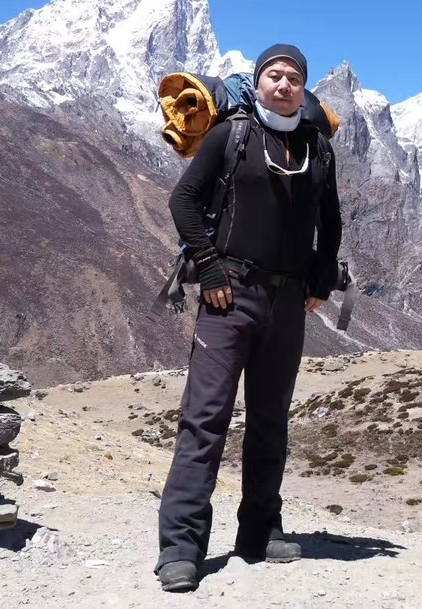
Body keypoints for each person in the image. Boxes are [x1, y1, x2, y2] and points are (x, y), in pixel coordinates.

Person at [155, 44, 343, 592]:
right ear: (258, 83)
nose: (283, 85)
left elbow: (329, 221)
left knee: (270, 421)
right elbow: (183, 203)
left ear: (304, 90)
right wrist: (210, 268)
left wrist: (321, 278)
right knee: (204, 418)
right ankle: (182, 548)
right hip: (229, 295)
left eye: (294, 78)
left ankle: (259, 532)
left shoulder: (318, 149)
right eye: (273, 75)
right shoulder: (231, 135)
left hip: (288, 302)